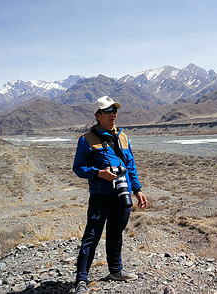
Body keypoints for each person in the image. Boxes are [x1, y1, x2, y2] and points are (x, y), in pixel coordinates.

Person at [72, 96, 148, 294]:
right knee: (92, 236)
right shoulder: (86, 140)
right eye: (108, 112)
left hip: (122, 194)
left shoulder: (123, 137)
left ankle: (116, 270)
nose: (113, 115)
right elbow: (78, 168)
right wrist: (99, 173)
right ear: (98, 115)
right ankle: (81, 280)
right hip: (100, 196)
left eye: (115, 111)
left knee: (116, 234)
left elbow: (130, 165)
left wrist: (137, 190)